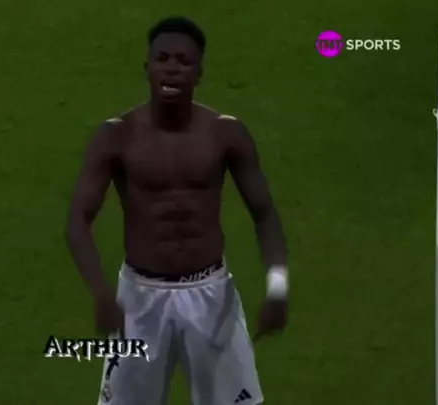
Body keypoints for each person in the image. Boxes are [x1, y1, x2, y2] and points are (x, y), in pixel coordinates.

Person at [64, 16, 289, 405]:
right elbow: (77, 221)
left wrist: (277, 287)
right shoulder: (116, 136)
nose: (171, 68)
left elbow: (265, 214)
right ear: (147, 68)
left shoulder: (225, 134)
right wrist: (101, 294)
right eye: (162, 58)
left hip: (211, 295)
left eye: (183, 61)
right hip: (138, 300)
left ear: (199, 74)